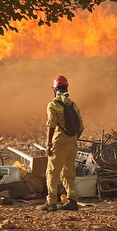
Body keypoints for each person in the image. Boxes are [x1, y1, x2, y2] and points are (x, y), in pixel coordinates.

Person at [42, 74, 84, 211]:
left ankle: (51, 202)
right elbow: (81, 127)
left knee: (52, 172)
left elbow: (51, 125)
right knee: (68, 173)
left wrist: (48, 144)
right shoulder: (73, 105)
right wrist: (72, 140)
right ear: (67, 87)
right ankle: (72, 201)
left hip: (59, 143)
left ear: (53, 89)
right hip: (72, 144)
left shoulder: (53, 105)